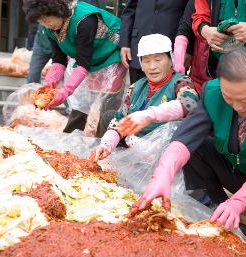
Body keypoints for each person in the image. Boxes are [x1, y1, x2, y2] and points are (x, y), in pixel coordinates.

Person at [128, 48, 246, 248]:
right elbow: (187, 136)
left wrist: (238, 202)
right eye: (229, 98)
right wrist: (163, 174)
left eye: (245, 100)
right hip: (236, 172)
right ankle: (218, 205)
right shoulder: (212, 92)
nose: (237, 107)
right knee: (195, 146)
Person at [22, 0, 127, 135]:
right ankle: (70, 140)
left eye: (46, 20)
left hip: (111, 55)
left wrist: (65, 92)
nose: (45, 25)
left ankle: (104, 144)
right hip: (86, 58)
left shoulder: (84, 20)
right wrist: (48, 86)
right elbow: (58, 60)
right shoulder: (49, 28)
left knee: (108, 108)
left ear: (56, 11)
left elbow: (84, 63)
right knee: (79, 105)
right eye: (40, 22)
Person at [90, 34, 199, 162]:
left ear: (170, 60)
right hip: (135, 144)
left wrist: (149, 115)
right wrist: (107, 144)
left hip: (163, 149)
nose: (152, 67)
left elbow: (189, 104)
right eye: (146, 61)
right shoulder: (136, 87)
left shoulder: (181, 81)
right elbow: (119, 118)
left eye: (158, 60)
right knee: (108, 117)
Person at [119, 0, 191, 84]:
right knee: (137, 92)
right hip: (139, 46)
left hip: (172, 48)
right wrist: (125, 43)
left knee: (171, 92)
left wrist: (189, 49)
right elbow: (129, 11)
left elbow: (190, 14)